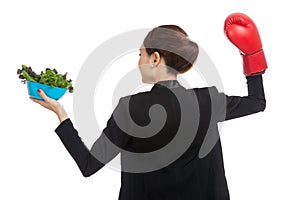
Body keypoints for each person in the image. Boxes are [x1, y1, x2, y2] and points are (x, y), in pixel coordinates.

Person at [30, 13, 267, 200]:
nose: (139, 62)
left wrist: (60, 113)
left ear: (155, 58)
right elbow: (257, 102)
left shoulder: (130, 108)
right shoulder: (208, 100)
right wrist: (252, 54)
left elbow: (88, 165)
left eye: (141, 54)